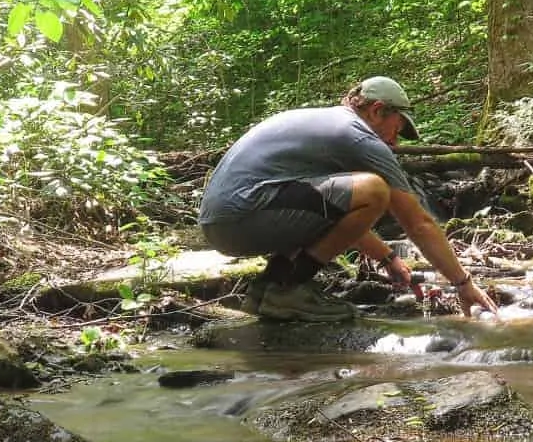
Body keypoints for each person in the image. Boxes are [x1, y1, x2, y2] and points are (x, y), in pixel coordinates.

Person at [198, 76, 499, 322]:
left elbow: (329, 214)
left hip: (223, 222)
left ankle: (267, 289)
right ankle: (290, 290)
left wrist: (388, 258)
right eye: (397, 127)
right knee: (374, 190)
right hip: (245, 216)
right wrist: (463, 284)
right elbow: (418, 224)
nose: (394, 140)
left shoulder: (324, 123)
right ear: (377, 110)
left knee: (357, 194)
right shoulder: (356, 136)